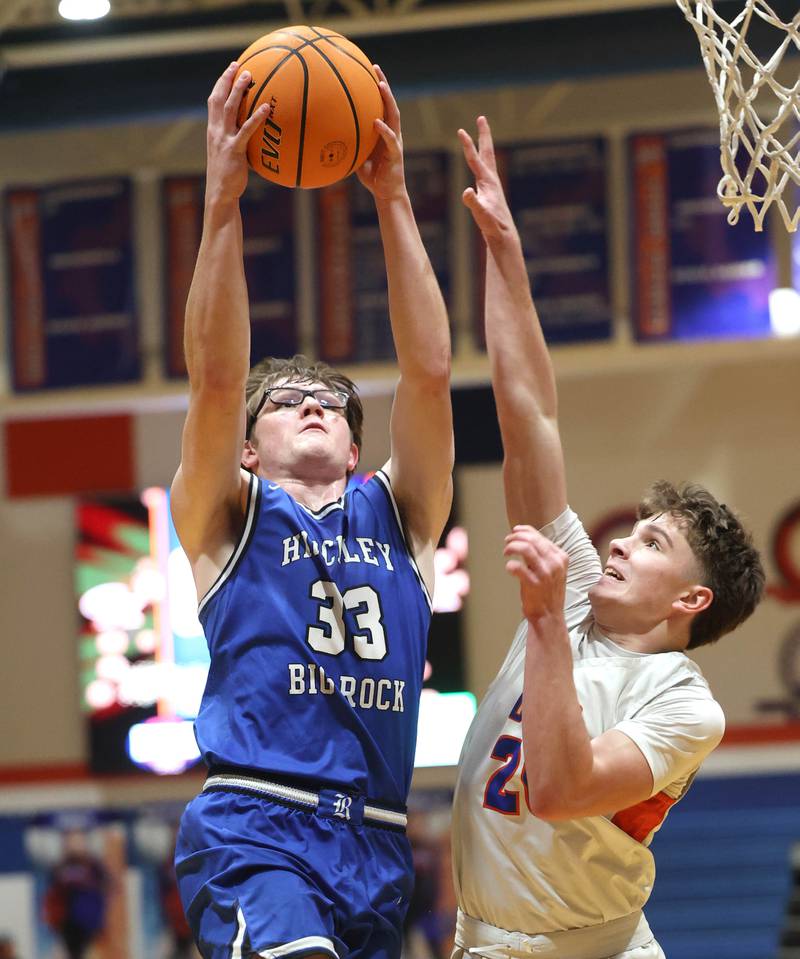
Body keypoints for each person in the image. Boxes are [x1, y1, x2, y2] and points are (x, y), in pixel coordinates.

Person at [450, 116, 765, 959]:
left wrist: (547, 617)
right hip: (483, 942)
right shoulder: (579, 587)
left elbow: (560, 789)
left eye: (654, 544)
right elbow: (529, 416)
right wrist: (505, 250)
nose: (621, 543)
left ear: (691, 599)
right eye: (633, 531)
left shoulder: (683, 702)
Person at [172, 59, 453, 959]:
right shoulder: (226, 515)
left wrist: (394, 198)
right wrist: (223, 206)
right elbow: (217, 376)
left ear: (357, 447)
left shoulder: (402, 517)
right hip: (256, 823)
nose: (313, 403)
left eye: (329, 400)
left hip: (376, 839)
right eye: (288, 398)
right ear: (247, 447)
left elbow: (431, 373)